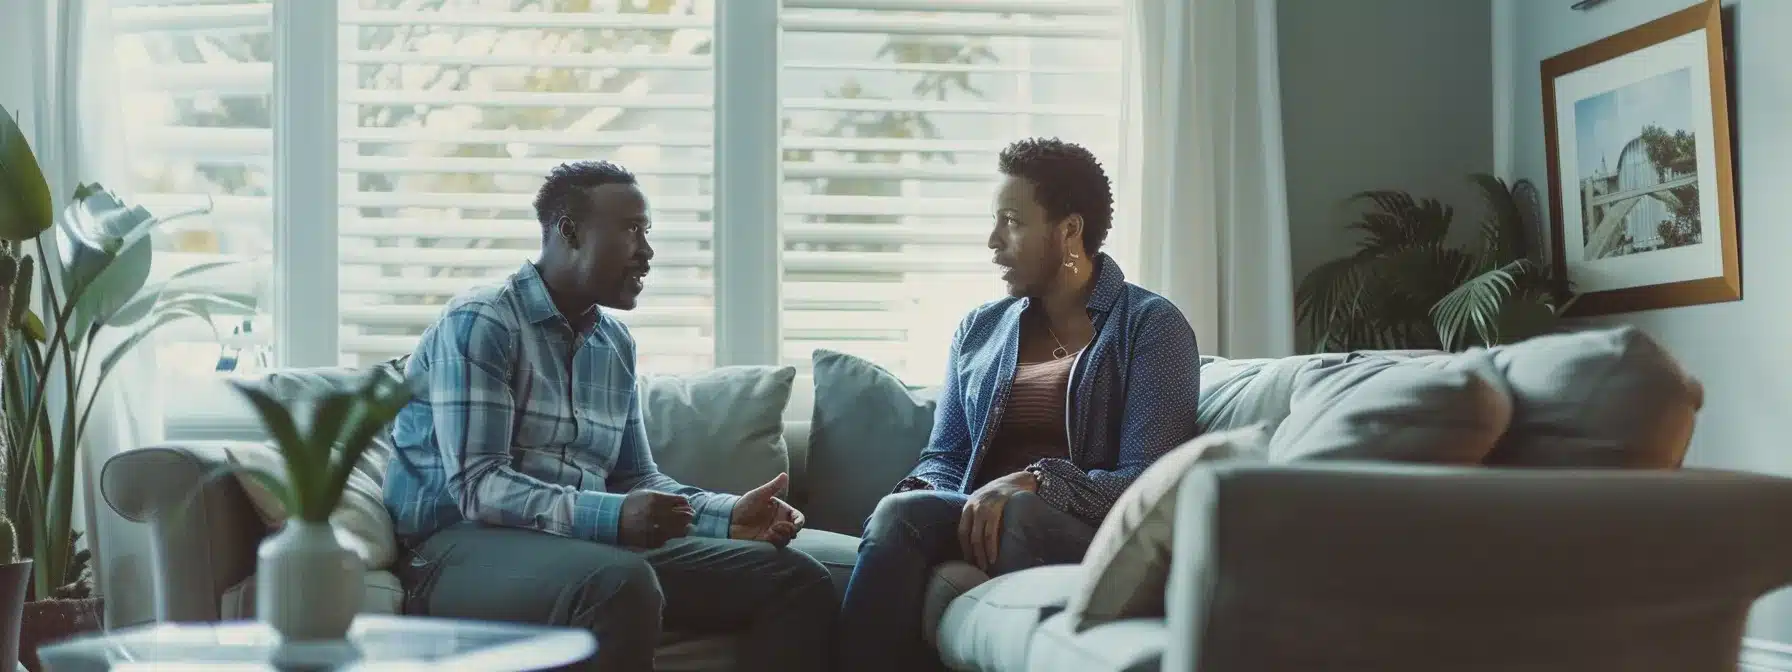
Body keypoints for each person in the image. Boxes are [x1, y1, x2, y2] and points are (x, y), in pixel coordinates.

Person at [383, 161, 834, 672]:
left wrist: (727, 515)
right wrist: (615, 516)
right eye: (632, 229)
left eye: (647, 231)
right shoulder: (483, 321)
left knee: (796, 579)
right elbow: (477, 486)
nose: (647, 252)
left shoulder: (614, 343)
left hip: (581, 550)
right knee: (620, 581)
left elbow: (635, 477)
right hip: (455, 550)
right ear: (569, 231)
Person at [834, 138, 1204, 671]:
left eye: (1011, 222)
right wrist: (922, 494)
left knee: (1009, 516)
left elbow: (1148, 482)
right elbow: (946, 455)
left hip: (1077, 527)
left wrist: (1033, 480)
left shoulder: (1150, 326)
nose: (992, 241)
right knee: (901, 513)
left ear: (1069, 230)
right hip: (977, 517)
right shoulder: (981, 328)